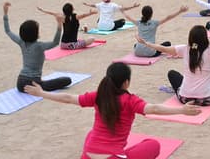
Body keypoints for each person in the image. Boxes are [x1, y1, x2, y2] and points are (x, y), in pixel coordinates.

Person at [24, 62, 201, 159]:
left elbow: (69, 98)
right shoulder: (130, 100)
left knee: (92, 134)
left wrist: (42, 93)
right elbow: (153, 108)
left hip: (88, 156)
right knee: (153, 145)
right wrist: (182, 110)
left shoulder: (98, 95)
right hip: (112, 157)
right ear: (126, 82)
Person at [3, 2, 72, 92]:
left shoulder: (21, 42)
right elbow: (55, 42)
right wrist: (59, 25)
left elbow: (8, 31)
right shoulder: (39, 46)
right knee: (67, 80)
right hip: (35, 84)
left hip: (20, 84)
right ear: (35, 34)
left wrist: (5, 13)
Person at [120, 5, 188, 57]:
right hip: (151, 53)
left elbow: (128, 17)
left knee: (136, 45)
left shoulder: (139, 22)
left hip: (137, 52)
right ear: (151, 14)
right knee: (167, 43)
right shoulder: (154, 23)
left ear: (142, 14)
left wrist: (122, 11)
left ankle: (141, 49)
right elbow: (168, 17)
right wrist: (180, 11)